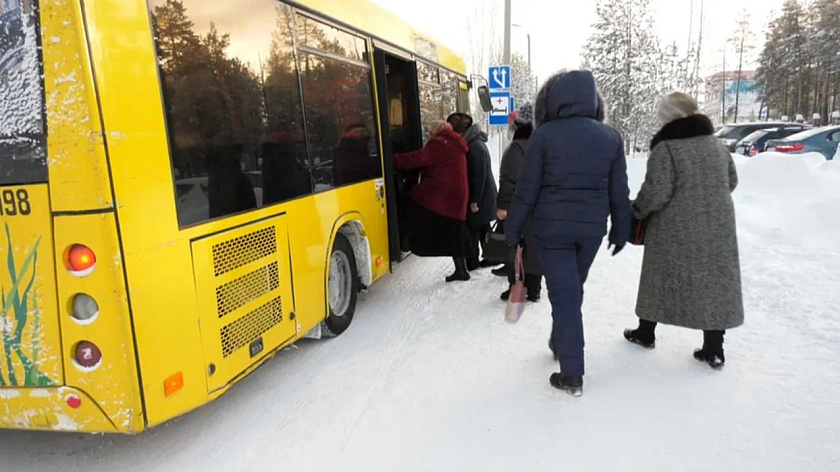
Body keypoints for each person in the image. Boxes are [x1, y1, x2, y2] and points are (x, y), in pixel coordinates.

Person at [505, 70, 631, 397]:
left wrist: (513, 226)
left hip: (551, 230)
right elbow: (619, 190)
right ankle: (561, 339)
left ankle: (572, 374)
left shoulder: (544, 135)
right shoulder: (610, 137)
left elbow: (527, 188)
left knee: (565, 294)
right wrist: (621, 228)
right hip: (590, 231)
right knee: (571, 290)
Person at [624, 92, 744, 370]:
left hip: (674, 226)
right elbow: (732, 181)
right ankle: (714, 349)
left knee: (660, 276)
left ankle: (645, 333)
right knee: (713, 283)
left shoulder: (667, 148)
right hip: (718, 225)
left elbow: (656, 192)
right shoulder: (715, 144)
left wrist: (637, 211)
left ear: (668, 118)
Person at [393, 120, 472, 282]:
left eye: (430, 132)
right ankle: (462, 269)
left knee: (408, 202)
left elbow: (418, 158)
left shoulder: (441, 143)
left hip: (441, 192)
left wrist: (392, 160)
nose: (428, 135)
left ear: (437, 131)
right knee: (455, 230)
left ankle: (405, 241)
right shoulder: (454, 142)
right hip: (456, 193)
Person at [496, 103, 542, 302]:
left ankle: (517, 289)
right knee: (535, 248)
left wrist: (503, 207)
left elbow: (510, 179)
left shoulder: (518, 147)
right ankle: (534, 290)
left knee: (517, 249)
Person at [448, 113, 499, 270]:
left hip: (481, 194)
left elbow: (478, 174)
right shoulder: (474, 142)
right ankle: (492, 256)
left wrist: (475, 200)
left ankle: (474, 261)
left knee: (473, 228)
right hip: (483, 193)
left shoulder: (474, 146)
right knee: (482, 227)